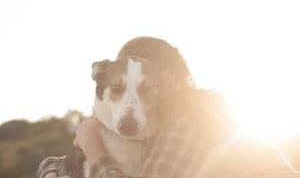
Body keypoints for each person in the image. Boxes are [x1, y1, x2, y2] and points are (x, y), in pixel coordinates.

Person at [37, 36, 300, 178]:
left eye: (145, 88)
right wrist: (53, 167)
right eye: (120, 87)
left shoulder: (189, 121)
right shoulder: (159, 126)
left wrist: (93, 147)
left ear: (168, 82)